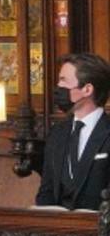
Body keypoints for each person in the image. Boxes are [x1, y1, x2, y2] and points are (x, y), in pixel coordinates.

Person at [36, 52, 110, 210]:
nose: (58, 87)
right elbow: (46, 191)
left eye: (63, 80)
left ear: (87, 89)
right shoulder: (57, 133)